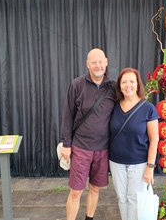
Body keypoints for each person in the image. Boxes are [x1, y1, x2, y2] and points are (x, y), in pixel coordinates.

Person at [60, 48, 116, 220]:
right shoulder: (77, 85)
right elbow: (68, 115)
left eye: (100, 62)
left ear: (106, 62)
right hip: (80, 147)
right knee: (76, 191)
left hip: (103, 149)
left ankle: (89, 218)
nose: (97, 65)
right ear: (87, 64)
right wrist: (66, 144)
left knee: (95, 188)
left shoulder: (114, 87)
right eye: (93, 62)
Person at [109, 67, 159, 220]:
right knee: (122, 198)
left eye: (132, 81)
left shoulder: (148, 108)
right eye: (124, 82)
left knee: (134, 199)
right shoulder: (114, 107)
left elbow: (154, 140)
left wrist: (150, 167)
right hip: (116, 162)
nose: (128, 85)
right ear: (119, 86)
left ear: (138, 85)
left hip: (139, 163)